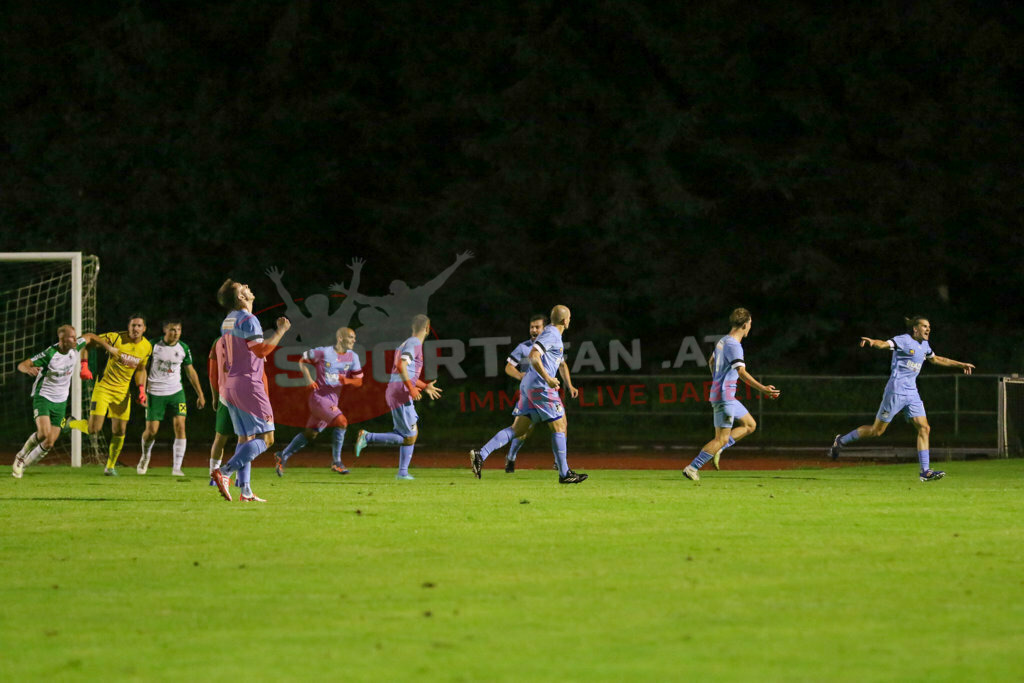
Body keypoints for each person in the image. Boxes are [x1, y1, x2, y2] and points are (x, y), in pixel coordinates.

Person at [828, 316, 975, 482]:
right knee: (877, 431)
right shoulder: (903, 340)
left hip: (912, 393)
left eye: (929, 327)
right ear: (915, 329)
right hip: (895, 391)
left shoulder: (924, 345)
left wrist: (961, 364)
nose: (928, 329)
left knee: (924, 428)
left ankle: (925, 471)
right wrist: (872, 342)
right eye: (924, 326)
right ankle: (841, 440)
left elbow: (937, 359)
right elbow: (884, 344)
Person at [470, 305, 587, 484]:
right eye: (569, 317)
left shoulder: (551, 333)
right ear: (565, 320)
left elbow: (559, 364)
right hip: (541, 387)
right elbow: (533, 356)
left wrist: (567, 384)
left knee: (518, 430)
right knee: (560, 425)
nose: (570, 320)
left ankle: (481, 454)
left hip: (529, 387)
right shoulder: (552, 334)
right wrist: (548, 378)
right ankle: (564, 473)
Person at [210, 279, 291, 502]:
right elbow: (261, 350)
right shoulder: (248, 319)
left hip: (231, 384)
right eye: (242, 287)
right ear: (240, 298)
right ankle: (225, 472)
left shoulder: (227, 321)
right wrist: (281, 330)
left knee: (246, 437)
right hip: (248, 384)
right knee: (267, 438)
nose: (247, 285)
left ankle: (245, 490)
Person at [683, 308, 780, 482]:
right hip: (725, 397)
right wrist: (763, 389)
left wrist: (717, 380)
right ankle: (693, 467)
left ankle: (720, 448)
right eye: (750, 324)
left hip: (725, 395)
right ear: (744, 325)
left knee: (750, 425)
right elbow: (741, 373)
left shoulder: (723, 341)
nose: (750, 327)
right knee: (720, 438)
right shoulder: (734, 345)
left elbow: (711, 361)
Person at [11, 325, 118, 478]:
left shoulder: (75, 347)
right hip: (44, 397)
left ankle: (24, 465)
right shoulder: (50, 354)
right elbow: (23, 364)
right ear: (62, 340)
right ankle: (20, 457)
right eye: (72, 337)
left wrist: (109, 348)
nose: (76, 339)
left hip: (61, 401)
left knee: (49, 443)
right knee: (43, 434)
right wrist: (28, 369)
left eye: (75, 337)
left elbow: (90, 336)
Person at [352, 315, 441, 480]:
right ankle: (367, 437)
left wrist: (424, 386)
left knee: (409, 433)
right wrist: (411, 389)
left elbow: (405, 370)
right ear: (427, 328)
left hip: (396, 390)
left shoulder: (407, 342)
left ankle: (403, 473)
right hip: (401, 391)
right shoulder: (414, 343)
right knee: (408, 437)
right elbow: (401, 366)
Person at [492, 313, 578, 473]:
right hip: (533, 392)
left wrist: (570, 385)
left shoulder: (551, 340)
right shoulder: (523, 347)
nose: (533, 330)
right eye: (531, 327)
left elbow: (562, 365)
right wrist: (520, 375)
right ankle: (511, 457)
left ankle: (559, 464)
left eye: (537, 327)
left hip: (547, 390)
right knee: (524, 431)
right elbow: (509, 367)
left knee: (562, 424)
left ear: (545, 328)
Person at [69, 314, 153, 475]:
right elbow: (87, 340)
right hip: (104, 389)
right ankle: (71, 423)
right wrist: (84, 366)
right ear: (128, 327)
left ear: (144, 329)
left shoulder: (147, 347)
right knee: (94, 429)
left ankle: (110, 466)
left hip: (123, 393)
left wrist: (142, 390)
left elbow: (141, 369)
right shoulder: (115, 338)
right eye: (133, 325)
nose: (135, 329)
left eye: (139, 326)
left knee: (120, 431)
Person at [274, 326, 364, 475]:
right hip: (319, 398)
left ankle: (282, 455)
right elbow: (302, 360)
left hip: (332, 401)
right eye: (350, 337)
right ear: (340, 338)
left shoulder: (353, 356)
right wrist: (308, 379)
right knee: (342, 422)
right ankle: (337, 462)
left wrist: (346, 381)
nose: (353, 340)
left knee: (311, 434)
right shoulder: (323, 352)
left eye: (354, 338)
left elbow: (359, 381)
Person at [137, 320, 206, 475]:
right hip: (155, 392)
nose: (175, 333)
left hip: (176, 392)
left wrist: (200, 394)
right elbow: (142, 368)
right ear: (164, 330)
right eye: (172, 329)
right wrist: (142, 391)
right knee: (152, 431)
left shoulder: (183, 348)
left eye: (178, 330)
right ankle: (145, 456)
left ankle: (177, 467)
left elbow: (190, 371)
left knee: (180, 426)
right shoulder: (152, 345)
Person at [206, 335, 234, 487]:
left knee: (222, 438)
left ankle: (216, 474)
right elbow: (212, 372)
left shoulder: (219, 341)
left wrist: (215, 397)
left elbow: (212, 373)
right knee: (246, 438)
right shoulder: (219, 341)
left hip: (231, 395)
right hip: (233, 396)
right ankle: (217, 474)